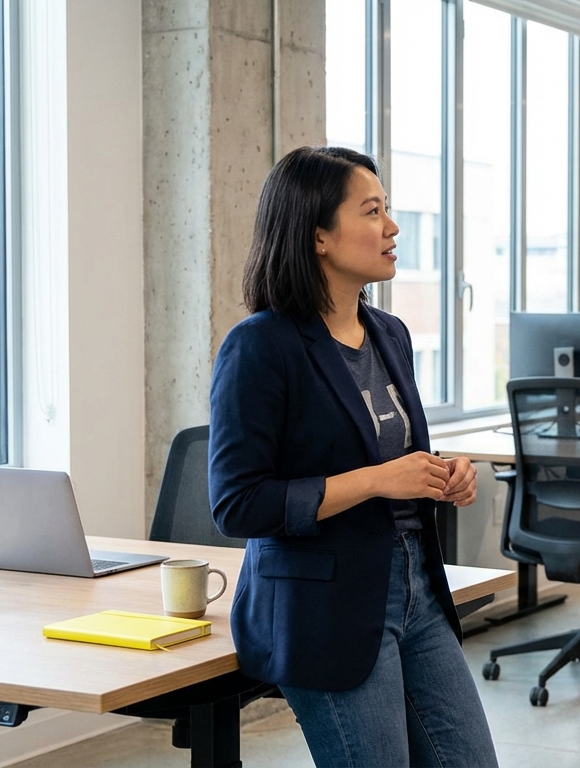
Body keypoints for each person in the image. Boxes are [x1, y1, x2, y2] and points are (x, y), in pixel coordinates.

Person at [208, 146, 499, 768]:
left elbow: (390, 456)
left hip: (417, 585)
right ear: (318, 236)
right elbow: (238, 505)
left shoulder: (388, 333)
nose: (392, 227)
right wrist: (376, 482)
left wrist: (439, 475)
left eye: (388, 209)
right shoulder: (260, 346)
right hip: (324, 609)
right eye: (373, 211)